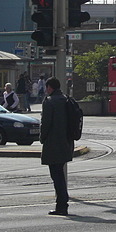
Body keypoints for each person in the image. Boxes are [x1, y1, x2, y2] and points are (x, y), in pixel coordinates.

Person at [40, 77, 74, 216]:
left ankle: (61, 205)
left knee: (56, 175)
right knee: (59, 173)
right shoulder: (67, 99)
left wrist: (42, 138)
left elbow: (46, 123)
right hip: (66, 142)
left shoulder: (49, 102)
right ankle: (62, 203)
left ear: (49, 87)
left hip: (53, 143)